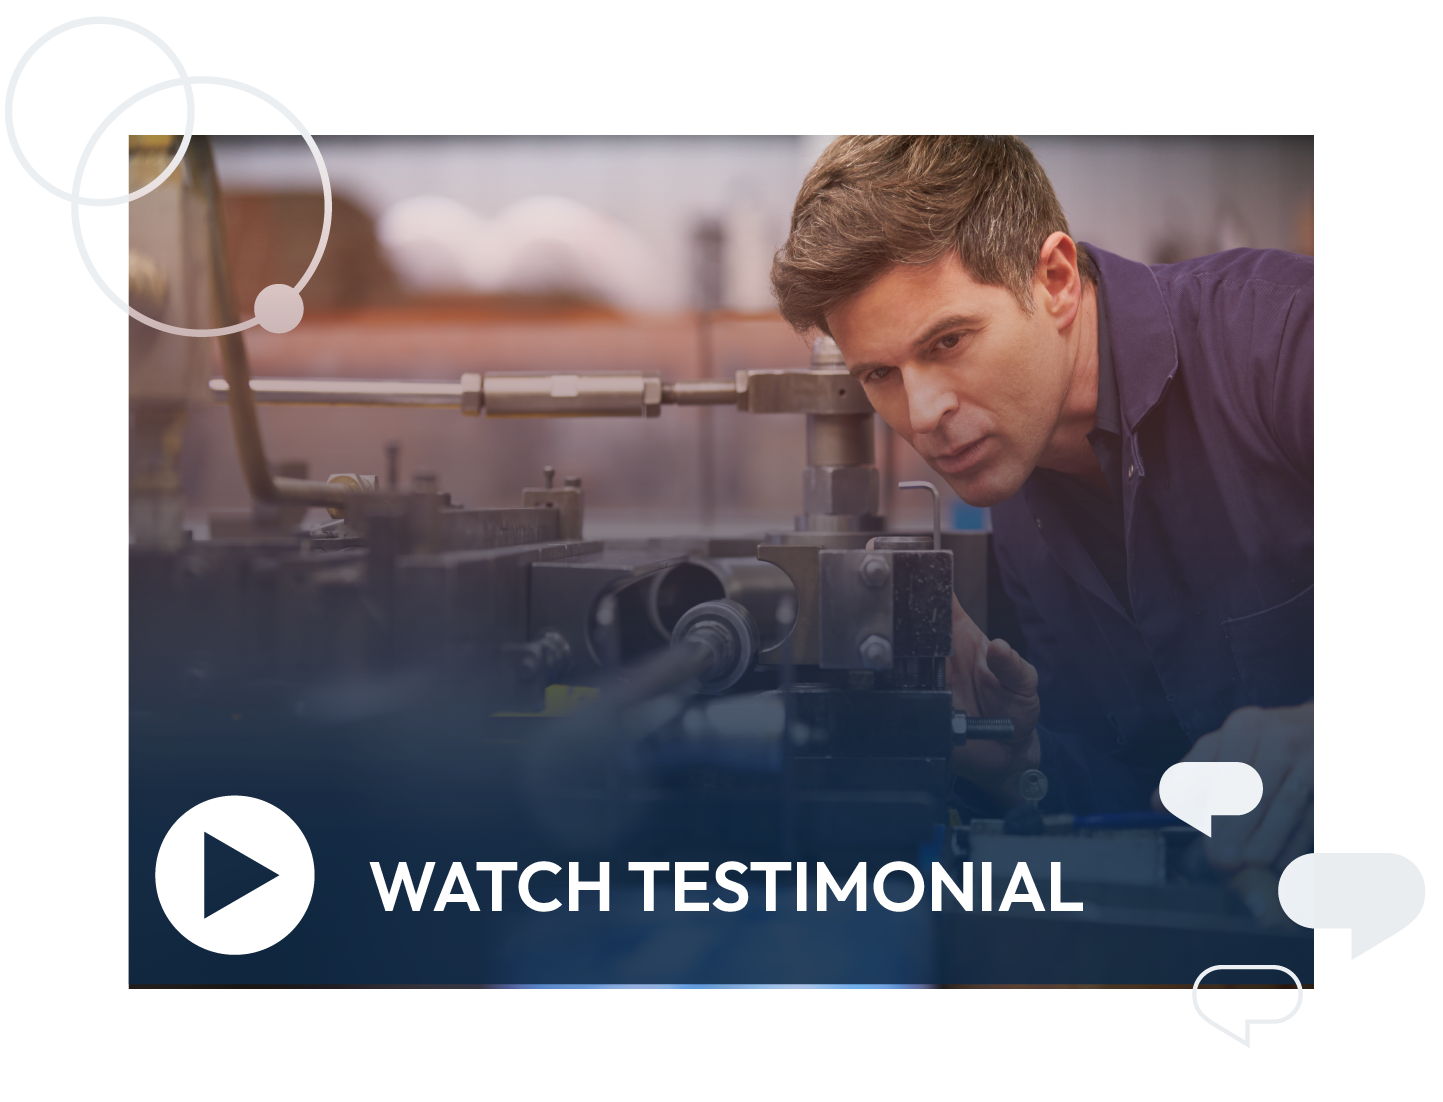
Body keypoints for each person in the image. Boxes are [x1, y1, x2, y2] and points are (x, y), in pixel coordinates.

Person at [770, 136, 1312, 875]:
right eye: (880, 375)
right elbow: (1151, 809)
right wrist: (1022, 759)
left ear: (1054, 280)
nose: (923, 414)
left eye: (948, 341)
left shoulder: (1287, 343)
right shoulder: (1016, 501)